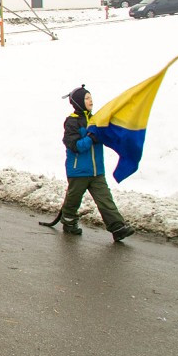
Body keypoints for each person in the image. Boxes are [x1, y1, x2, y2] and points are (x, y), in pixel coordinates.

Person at [58, 85, 136, 242]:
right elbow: (75, 146)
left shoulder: (96, 120)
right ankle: (68, 221)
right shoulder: (71, 122)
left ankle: (117, 228)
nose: (90, 100)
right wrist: (91, 138)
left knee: (105, 200)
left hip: (97, 171)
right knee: (73, 199)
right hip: (78, 171)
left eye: (91, 97)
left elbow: (105, 138)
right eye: (86, 98)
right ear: (79, 102)